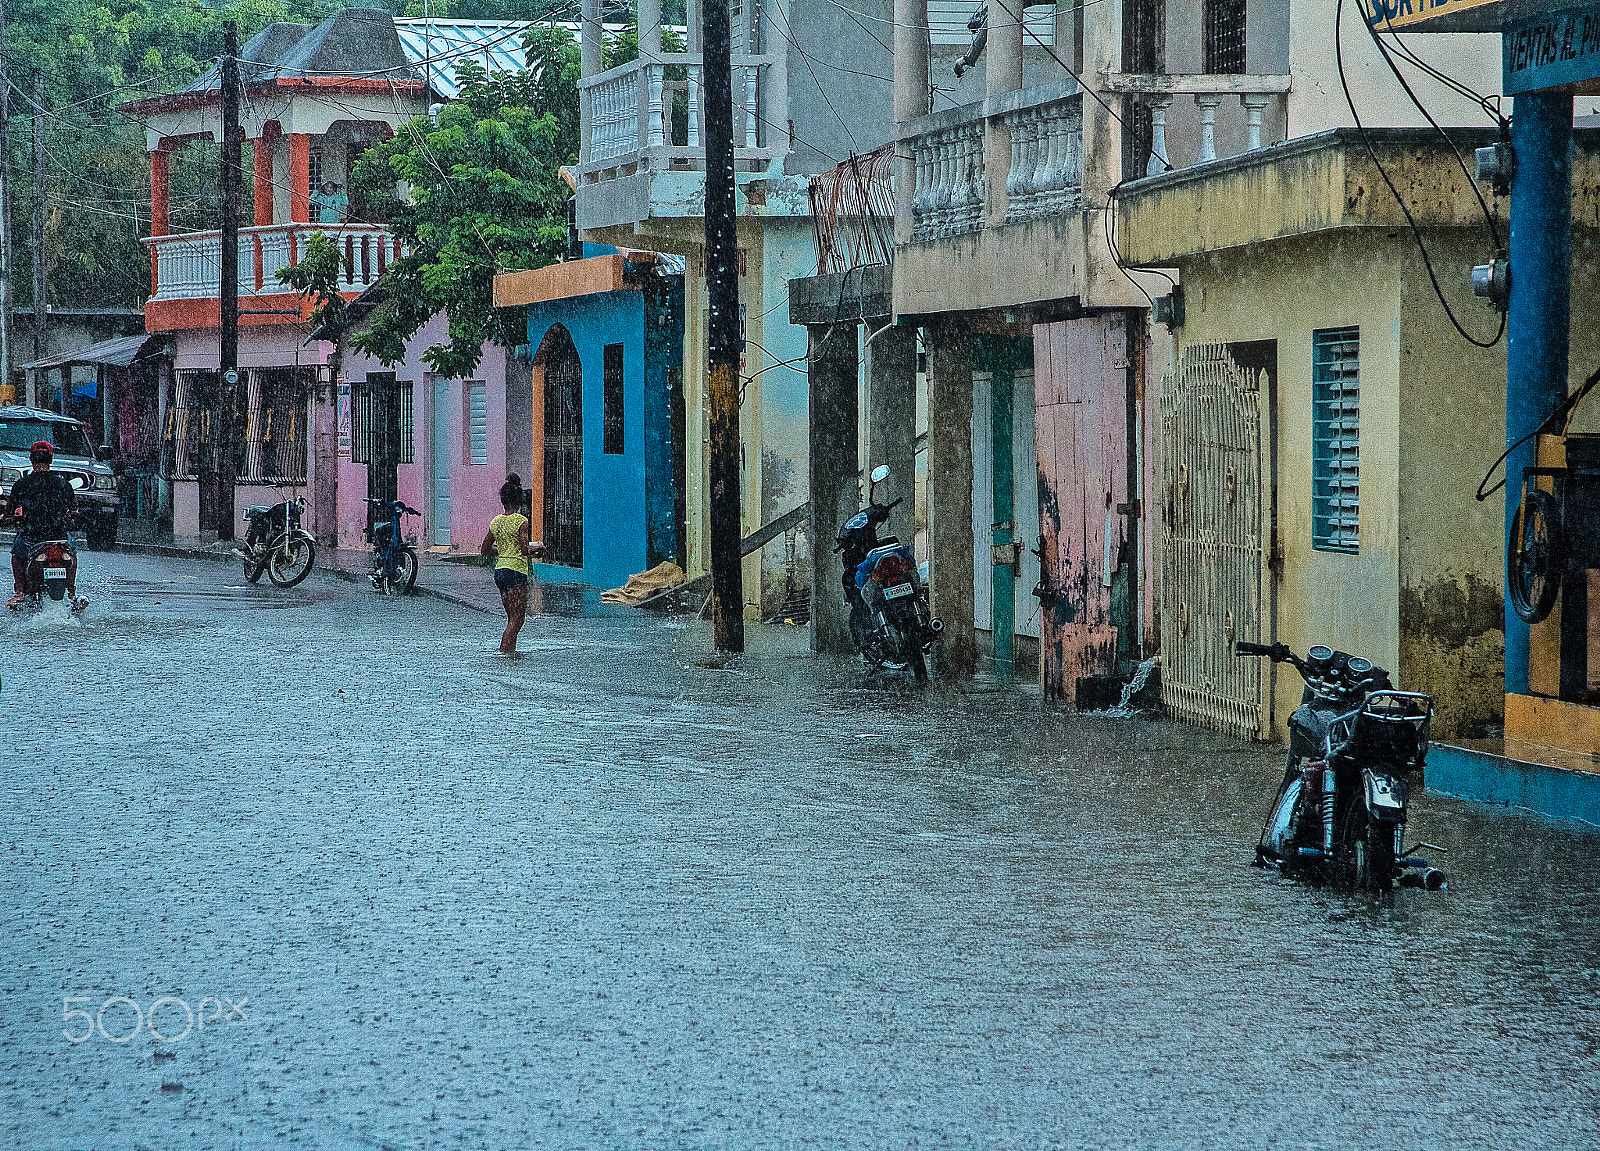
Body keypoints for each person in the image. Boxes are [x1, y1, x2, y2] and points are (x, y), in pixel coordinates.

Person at [7, 440, 84, 610]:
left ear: (31, 459)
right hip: (59, 535)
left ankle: (20, 592)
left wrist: (8, 517)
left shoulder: (22, 484)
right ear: (51, 460)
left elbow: (10, 510)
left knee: (16, 555)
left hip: (31, 536)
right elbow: (74, 510)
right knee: (72, 555)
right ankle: (71, 591)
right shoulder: (63, 483)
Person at [480, 475, 544, 653]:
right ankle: (503, 654)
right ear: (519, 500)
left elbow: (484, 549)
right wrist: (538, 549)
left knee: (511, 618)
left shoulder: (496, 521)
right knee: (518, 620)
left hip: (500, 572)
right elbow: (524, 550)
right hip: (516, 572)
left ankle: (511, 653)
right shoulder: (521, 521)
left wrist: (502, 552)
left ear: (503, 500)